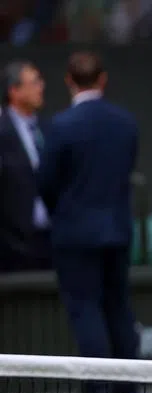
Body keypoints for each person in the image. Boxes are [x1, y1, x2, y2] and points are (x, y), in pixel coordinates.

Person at [38, 50, 140, 393]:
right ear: (102, 80)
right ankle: (129, 386)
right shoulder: (125, 122)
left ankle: (97, 389)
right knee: (118, 306)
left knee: (86, 309)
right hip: (117, 231)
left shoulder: (61, 125)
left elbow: (46, 183)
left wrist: (63, 213)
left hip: (75, 235)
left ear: (69, 81)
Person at [0, 59, 51, 273]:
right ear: (14, 91)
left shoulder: (47, 129)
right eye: (34, 82)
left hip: (50, 240)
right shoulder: (3, 132)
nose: (42, 87)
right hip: (13, 244)